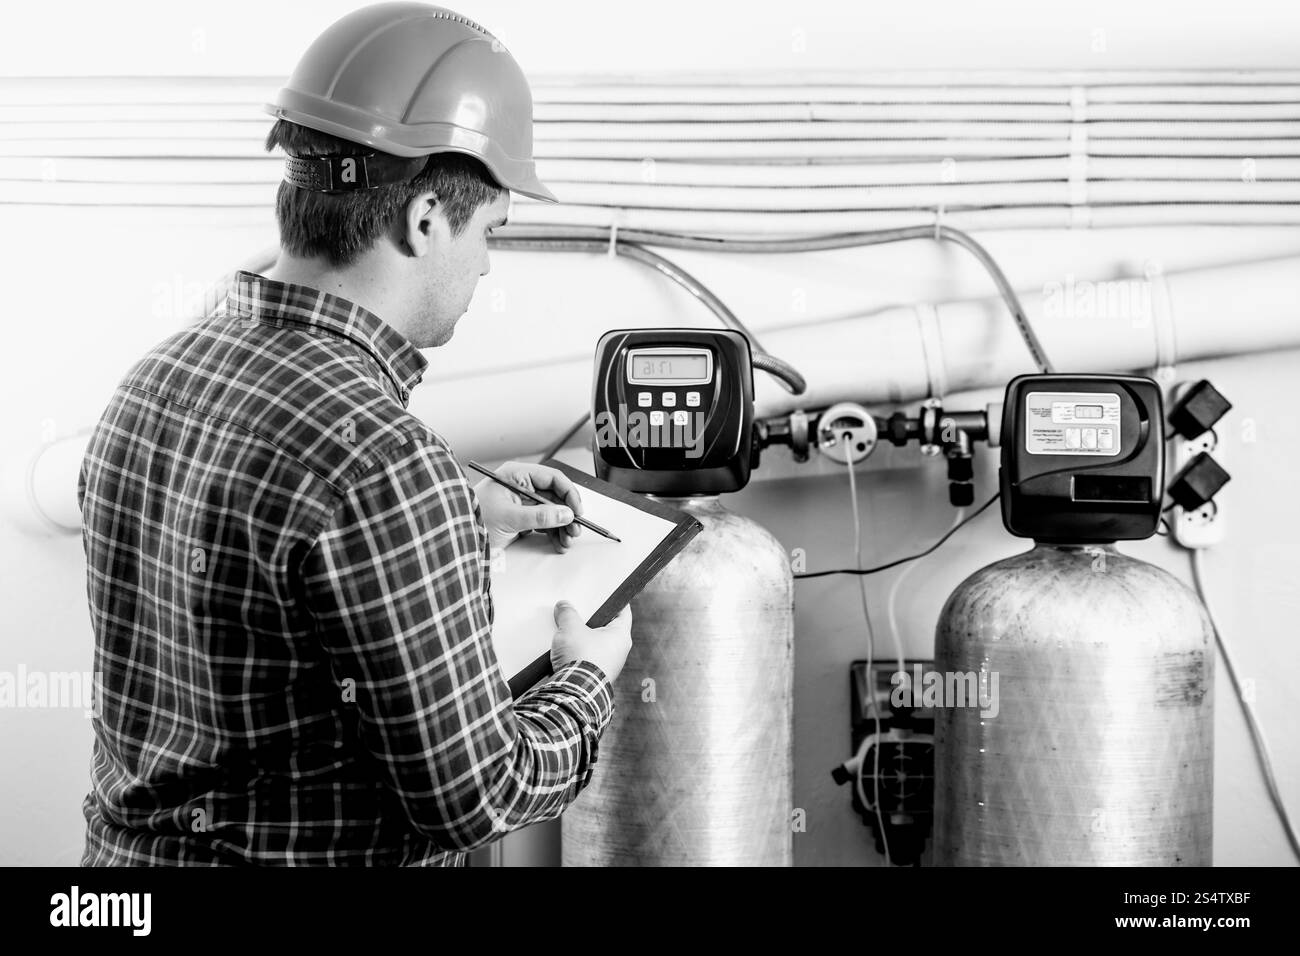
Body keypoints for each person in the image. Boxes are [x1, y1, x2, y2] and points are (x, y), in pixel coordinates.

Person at [78, 3, 632, 866]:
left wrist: (455, 511)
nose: (487, 265)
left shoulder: (158, 375)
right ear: (422, 220)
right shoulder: (382, 464)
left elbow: (265, 583)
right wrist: (587, 681)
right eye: (490, 232)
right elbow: (473, 798)